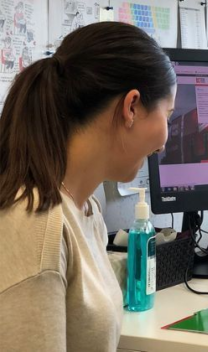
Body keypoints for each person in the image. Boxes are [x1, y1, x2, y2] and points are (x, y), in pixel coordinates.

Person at [0, 22, 177, 351]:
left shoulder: (84, 209)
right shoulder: (36, 224)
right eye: (167, 114)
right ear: (132, 107)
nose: (164, 142)